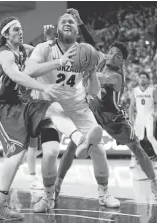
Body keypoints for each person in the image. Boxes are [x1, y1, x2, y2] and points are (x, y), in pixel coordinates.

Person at [42, 8, 157, 205]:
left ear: (122, 61)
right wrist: (79, 22)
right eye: (110, 52)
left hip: (113, 118)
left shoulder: (117, 76)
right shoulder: (102, 59)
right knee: (72, 146)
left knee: (136, 147)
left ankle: (154, 183)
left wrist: (89, 69)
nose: (111, 56)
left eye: (117, 56)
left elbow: (103, 78)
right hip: (94, 112)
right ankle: (58, 184)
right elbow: (92, 45)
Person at [0, 16, 86, 220]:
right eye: (15, 29)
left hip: (22, 103)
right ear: (5, 34)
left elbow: (43, 52)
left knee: (52, 107)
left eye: (21, 28)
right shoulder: (4, 55)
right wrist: (44, 86)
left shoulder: (22, 49)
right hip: (3, 109)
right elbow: (17, 76)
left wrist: (51, 40)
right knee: (17, 154)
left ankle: (79, 139)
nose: (20, 31)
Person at [26, 12, 119, 210]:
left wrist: (92, 71)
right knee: (50, 153)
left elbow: (95, 93)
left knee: (99, 150)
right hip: (51, 106)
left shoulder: (86, 51)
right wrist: (58, 62)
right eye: (63, 21)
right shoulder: (45, 48)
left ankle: (104, 193)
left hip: (78, 106)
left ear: (77, 30)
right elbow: (29, 72)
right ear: (58, 29)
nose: (68, 23)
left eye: (71, 22)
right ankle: (48, 197)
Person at [129, 72, 157, 168]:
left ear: (148, 79)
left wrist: (155, 114)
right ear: (138, 79)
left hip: (149, 116)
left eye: (144, 77)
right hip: (139, 117)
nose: (142, 79)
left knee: (150, 137)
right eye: (140, 77)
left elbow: (156, 103)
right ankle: (133, 159)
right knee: (136, 139)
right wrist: (130, 118)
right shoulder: (135, 90)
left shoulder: (152, 90)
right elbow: (131, 106)